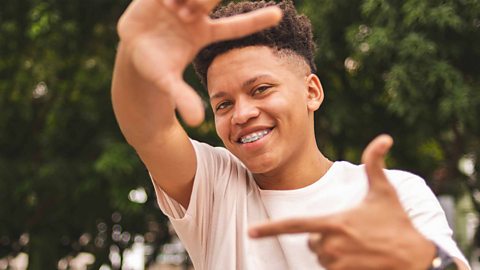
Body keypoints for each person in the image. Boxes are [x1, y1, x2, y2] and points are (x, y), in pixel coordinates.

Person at [111, 0, 470, 269]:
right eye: (223, 105)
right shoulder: (216, 188)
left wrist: (420, 258)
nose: (242, 114)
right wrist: (133, 53)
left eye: (261, 89)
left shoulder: (395, 194)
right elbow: (150, 129)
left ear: (312, 92)